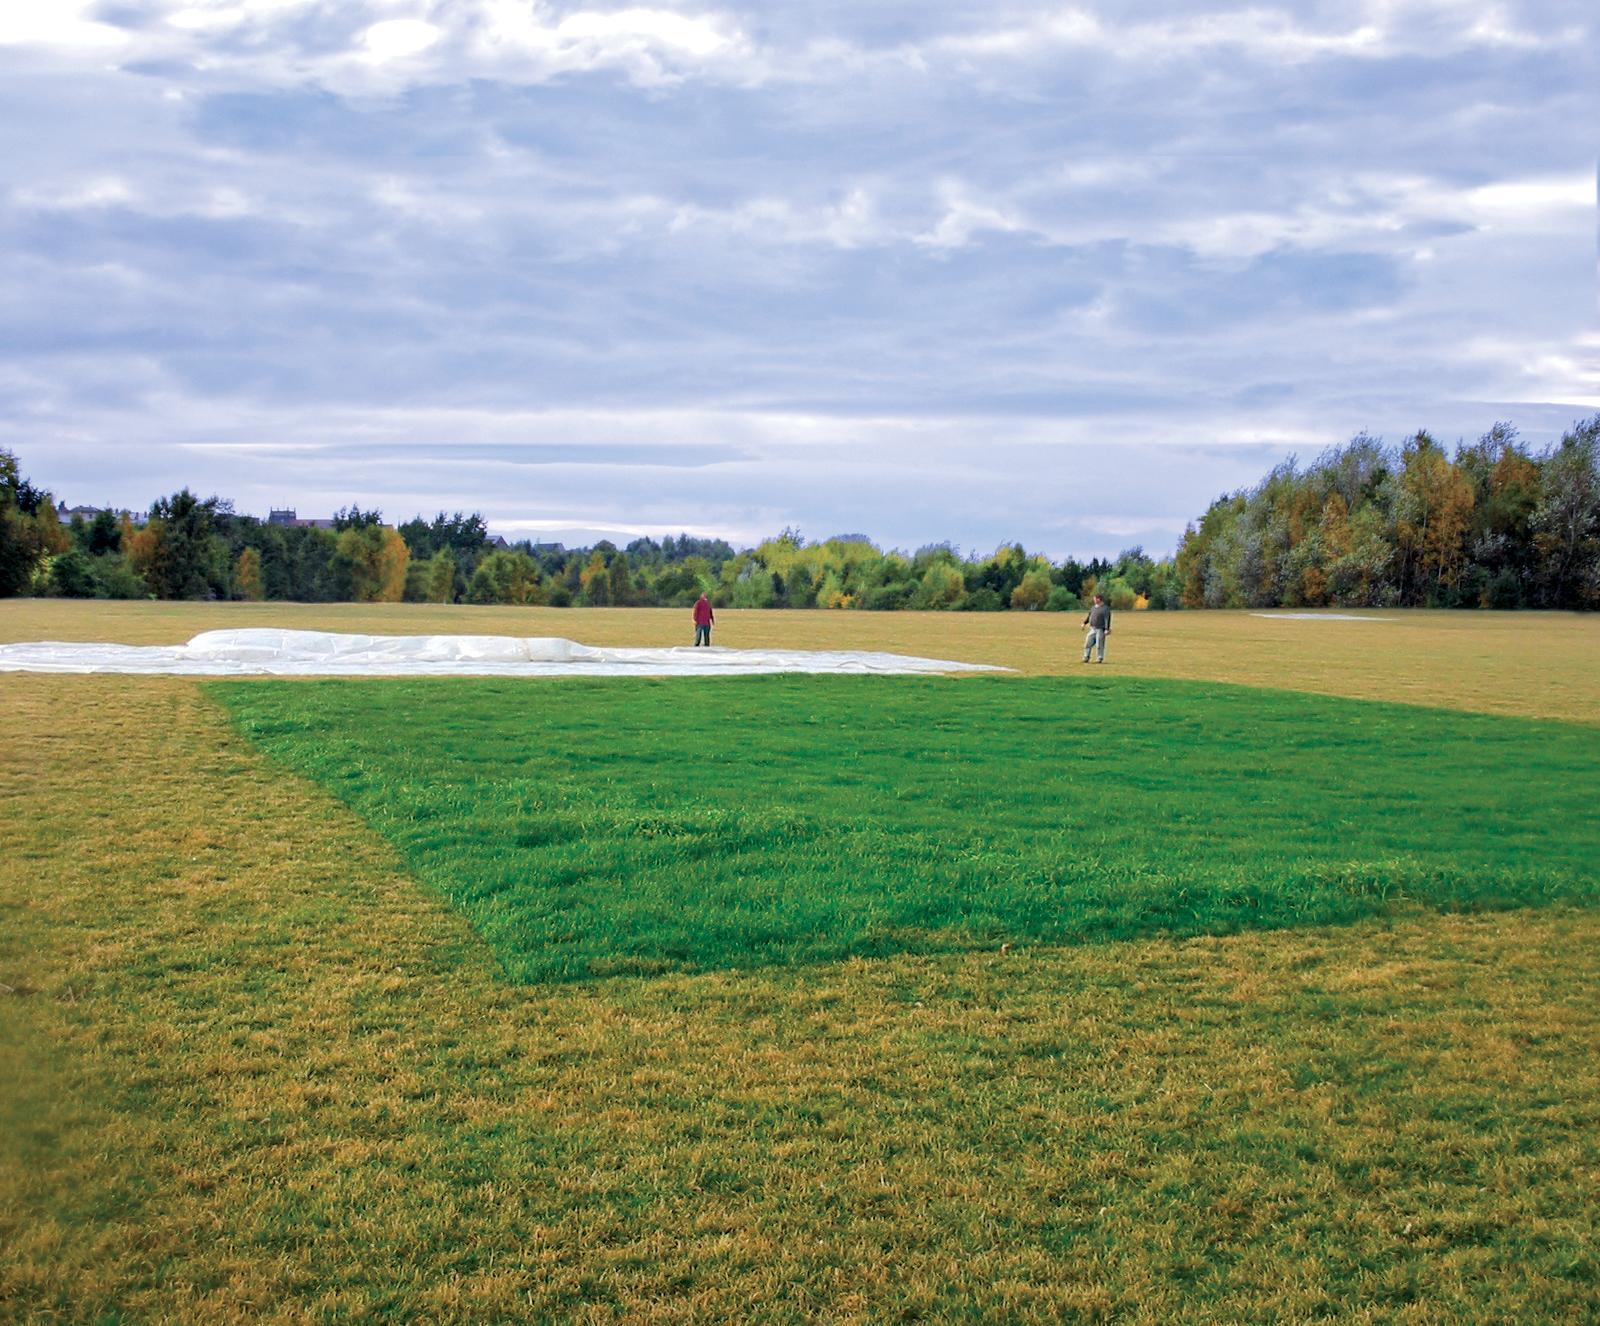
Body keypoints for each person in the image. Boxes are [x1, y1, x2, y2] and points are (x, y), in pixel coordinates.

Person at [1082, 592, 1111, 663]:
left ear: (1099, 599)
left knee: (1099, 644)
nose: (1094, 600)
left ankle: (1099, 658)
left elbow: (1107, 619)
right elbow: (1089, 616)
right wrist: (1084, 623)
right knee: (1088, 643)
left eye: (1095, 599)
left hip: (1100, 629)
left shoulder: (1105, 608)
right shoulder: (1093, 608)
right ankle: (1086, 657)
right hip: (1092, 629)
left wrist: (1107, 629)